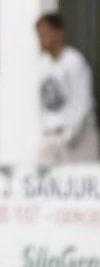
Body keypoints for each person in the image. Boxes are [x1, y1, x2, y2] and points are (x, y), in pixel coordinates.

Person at [35, 12, 100, 162]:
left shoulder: (74, 62)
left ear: (58, 33)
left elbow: (82, 103)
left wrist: (69, 136)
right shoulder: (42, 65)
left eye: (45, 33)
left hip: (79, 137)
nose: (41, 39)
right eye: (39, 35)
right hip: (52, 137)